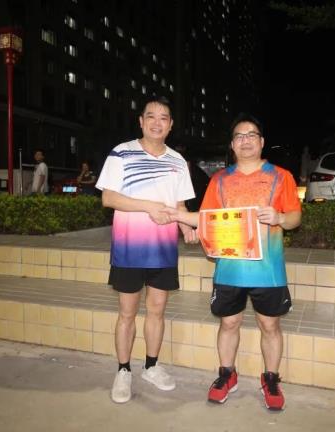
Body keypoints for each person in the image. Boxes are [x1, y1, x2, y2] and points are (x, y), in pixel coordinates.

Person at [164, 113, 302, 411]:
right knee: (229, 323)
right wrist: (179, 218)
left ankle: (271, 378)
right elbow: (207, 219)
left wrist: (279, 217)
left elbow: (295, 218)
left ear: (262, 142)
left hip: (268, 271)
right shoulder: (220, 180)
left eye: (251, 135)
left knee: (270, 325)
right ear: (232, 144)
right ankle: (227, 374)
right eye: (239, 136)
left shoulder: (282, 176)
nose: (246, 140)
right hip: (229, 268)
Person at [95, 96, 196, 404]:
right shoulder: (121, 153)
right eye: (150, 116)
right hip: (129, 248)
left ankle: (151, 366)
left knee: (157, 310)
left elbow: (179, 205)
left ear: (171, 125)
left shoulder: (178, 161)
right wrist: (148, 207)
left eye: (163, 118)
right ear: (141, 121)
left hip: (163, 250)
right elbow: (109, 198)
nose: (156, 122)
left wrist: (186, 227)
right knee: (127, 313)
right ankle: (123, 370)